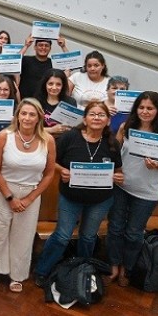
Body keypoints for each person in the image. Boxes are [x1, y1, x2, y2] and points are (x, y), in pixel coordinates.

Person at [33, 101, 124, 286]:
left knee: (89, 237)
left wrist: (118, 177)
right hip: (70, 197)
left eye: (101, 115)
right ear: (84, 118)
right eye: (92, 114)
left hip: (100, 200)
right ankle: (42, 270)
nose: (96, 118)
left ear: (107, 120)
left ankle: (81, 273)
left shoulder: (112, 143)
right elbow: (51, 161)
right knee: (62, 236)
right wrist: (61, 171)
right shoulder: (70, 137)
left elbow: (119, 170)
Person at [0, 99, 56, 292]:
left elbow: (48, 174)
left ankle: (17, 274)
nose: (27, 118)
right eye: (24, 113)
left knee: (23, 235)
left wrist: (30, 198)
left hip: (31, 193)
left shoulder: (48, 140)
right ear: (17, 115)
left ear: (39, 117)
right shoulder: (4, 136)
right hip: (3, 190)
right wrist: (9, 197)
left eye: (32, 114)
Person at [107, 91, 158, 287]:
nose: (145, 112)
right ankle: (114, 264)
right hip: (121, 187)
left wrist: (157, 165)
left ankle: (127, 268)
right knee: (115, 228)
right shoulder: (125, 128)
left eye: (150, 108)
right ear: (136, 109)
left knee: (134, 232)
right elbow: (115, 153)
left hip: (147, 193)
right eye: (141, 107)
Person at [34, 68, 78, 137]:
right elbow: (31, 129)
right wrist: (51, 130)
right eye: (50, 84)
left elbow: (73, 128)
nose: (54, 87)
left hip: (65, 141)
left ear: (63, 86)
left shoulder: (70, 102)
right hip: (41, 140)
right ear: (45, 84)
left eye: (58, 84)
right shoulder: (36, 102)